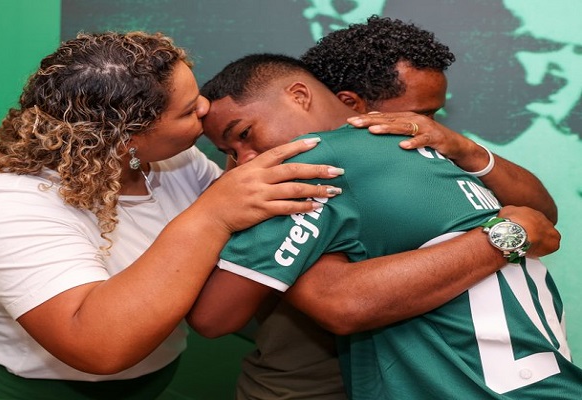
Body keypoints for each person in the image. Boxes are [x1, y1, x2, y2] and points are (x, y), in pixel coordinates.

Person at [0, 32, 347, 400]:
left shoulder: (177, 163)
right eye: (188, 111)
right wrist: (210, 216)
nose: (204, 107)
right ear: (125, 140)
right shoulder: (5, 203)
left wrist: (394, 130)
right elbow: (95, 344)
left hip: (148, 385)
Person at [187, 53, 580, 399]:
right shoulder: (300, 170)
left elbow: (213, 318)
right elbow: (338, 301)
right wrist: (506, 235)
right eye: (231, 149)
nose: (417, 128)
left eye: (428, 117)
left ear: (301, 95)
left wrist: (464, 148)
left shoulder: (337, 160)